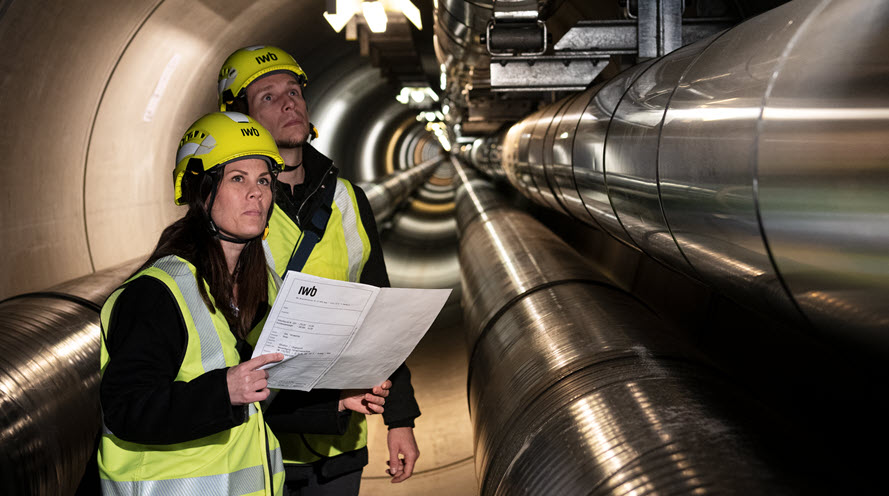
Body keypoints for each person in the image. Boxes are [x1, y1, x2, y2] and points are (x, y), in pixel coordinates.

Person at [97, 111, 389, 495]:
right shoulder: (157, 294)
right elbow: (126, 408)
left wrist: (336, 402)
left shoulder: (255, 289)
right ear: (203, 190)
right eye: (238, 179)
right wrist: (223, 391)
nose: (257, 192)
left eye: (265, 180)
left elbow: (255, 397)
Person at [217, 45, 421, 494]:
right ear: (242, 119)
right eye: (267, 96)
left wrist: (399, 417)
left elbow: (380, 309)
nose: (288, 101)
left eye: (293, 91)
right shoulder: (238, 209)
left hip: (343, 440)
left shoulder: (349, 199)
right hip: (263, 436)